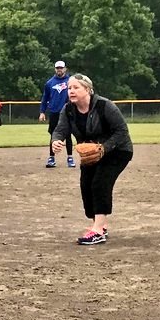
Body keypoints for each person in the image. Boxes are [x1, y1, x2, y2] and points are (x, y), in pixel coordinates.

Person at [51, 74, 133, 246]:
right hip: (91, 153)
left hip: (117, 151)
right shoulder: (68, 109)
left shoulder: (105, 106)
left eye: (76, 87)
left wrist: (104, 147)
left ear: (87, 90)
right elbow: (60, 130)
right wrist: (56, 141)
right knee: (86, 186)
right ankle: (100, 224)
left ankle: (98, 231)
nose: (71, 91)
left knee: (100, 183)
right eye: (69, 88)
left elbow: (121, 132)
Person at [39, 60, 73, 168]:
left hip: (67, 112)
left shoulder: (70, 81)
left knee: (68, 135)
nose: (59, 70)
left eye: (61, 68)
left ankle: (70, 158)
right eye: (57, 68)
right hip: (54, 112)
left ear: (65, 69)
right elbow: (45, 98)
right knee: (53, 135)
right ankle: (51, 158)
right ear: (55, 69)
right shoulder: (50, 83)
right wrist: (42, 112)